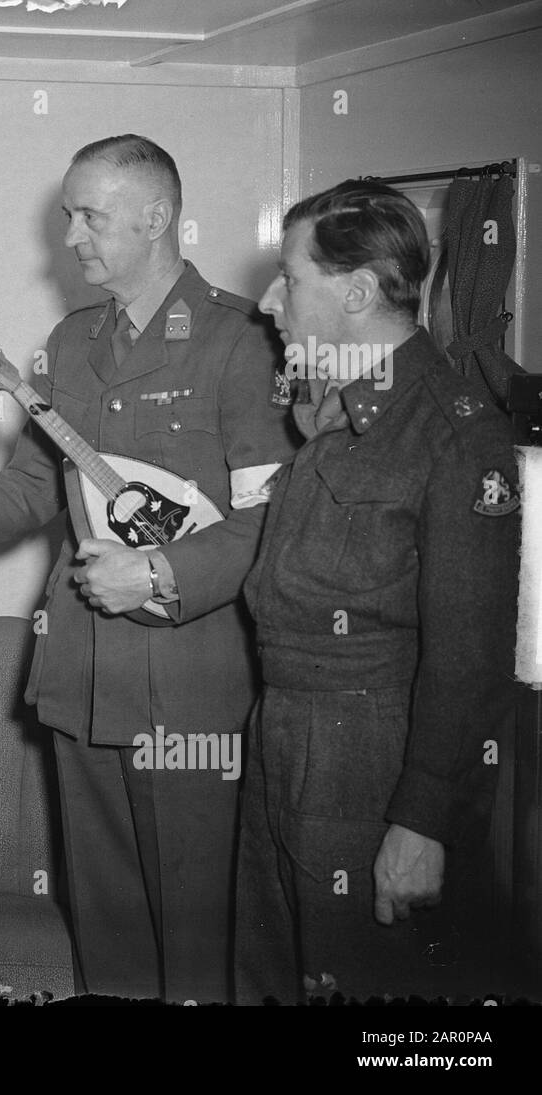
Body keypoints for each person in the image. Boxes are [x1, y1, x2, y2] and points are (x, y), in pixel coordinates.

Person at [0, 135, 299, 1002]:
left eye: (89, 216)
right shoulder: (70, 345)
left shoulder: (242, 342)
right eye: (68, 214)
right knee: (105, 928)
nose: (70, 235)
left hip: (193, 687)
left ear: (156, 218)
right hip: (80, 677)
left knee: (197, 929)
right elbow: (37, 490)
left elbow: (277, 523)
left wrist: (160, 573)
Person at [235, 181, 519, 1003]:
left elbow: (469, 656)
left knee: (365, 993)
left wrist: (422, 821)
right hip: (283, 728)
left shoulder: (456, 431)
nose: (268, 299)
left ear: (356, 292)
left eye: (289, 278)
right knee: (269, 972)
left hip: (370, 761)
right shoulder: (336, 403)